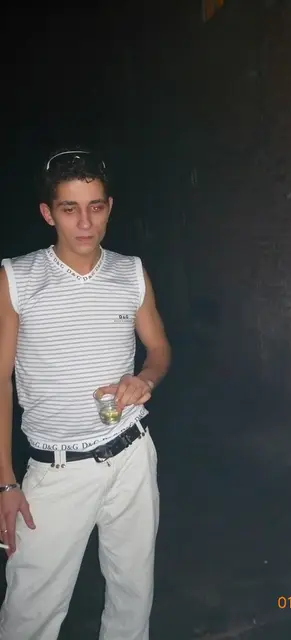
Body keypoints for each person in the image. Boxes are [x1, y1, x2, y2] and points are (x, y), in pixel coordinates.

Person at [0, 149, 171, 640]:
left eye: (95, 206)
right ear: (47, 213)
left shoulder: (130, 272)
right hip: (57, 469)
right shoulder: (17, 278)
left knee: (133, 596)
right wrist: (6, 483)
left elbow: (159, 349)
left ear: (109, 207)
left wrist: (145, 380)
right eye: (69, 208)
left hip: (132, 455)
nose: (84, 222)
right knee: (29, 612)